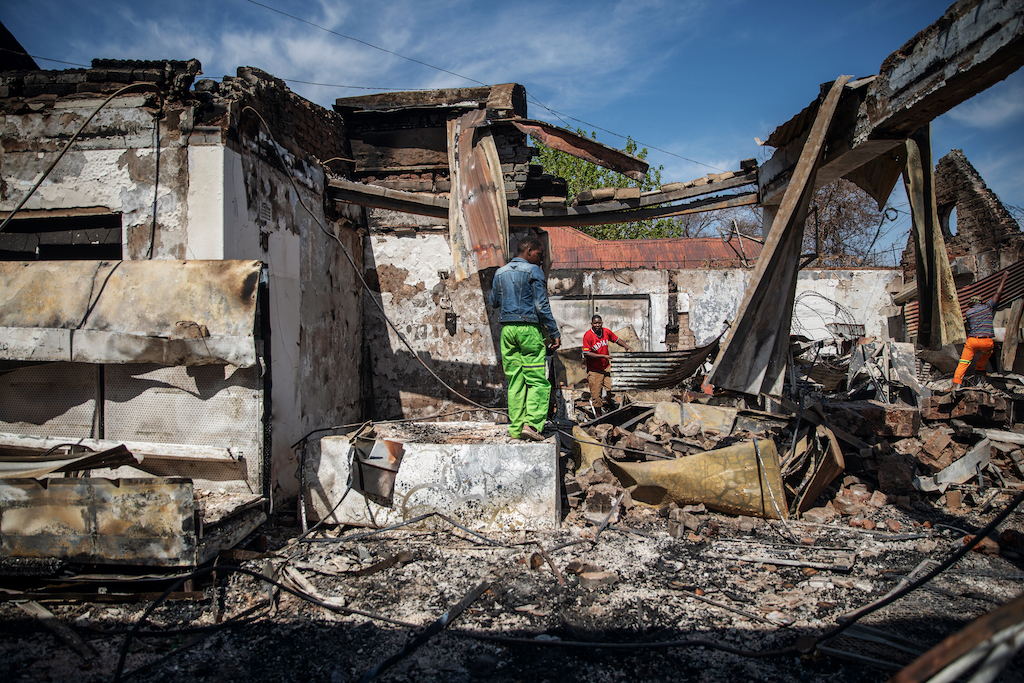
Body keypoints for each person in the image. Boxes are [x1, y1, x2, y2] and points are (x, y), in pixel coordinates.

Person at [489, 237, 561, 441]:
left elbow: (494, 301)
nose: (541, 259)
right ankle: (533, 425)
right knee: (537, 381)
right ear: (529, 251)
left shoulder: (500, 273)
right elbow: (541, 305)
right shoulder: (533, 271)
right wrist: (554, 332)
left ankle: (516, 428)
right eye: (539, 254)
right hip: (528, 330)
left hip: (508, 331)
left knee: (515, 381)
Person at [953, 274, 1007, 391]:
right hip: (986, 341)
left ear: (972, 304)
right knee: (988, 351)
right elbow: (997, 294)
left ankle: (954, 385)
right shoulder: (987, 307)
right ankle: (980, 368)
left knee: (963, 362)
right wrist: (1003, 278)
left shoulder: (969, 313)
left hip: (972, 341)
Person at [582, 314, 633, 415]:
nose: (597, 325)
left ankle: (609, 401)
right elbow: (586, 353)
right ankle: (599, 417)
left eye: (599, 323)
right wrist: (603, 356)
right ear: (592, 324)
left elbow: (617, 339)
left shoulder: (606, 332)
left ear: (602, 323)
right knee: (596, 396)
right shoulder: (588, 336)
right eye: (595, 323)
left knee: (612, 387)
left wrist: (626, 346)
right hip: (594, 370)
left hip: (606, 367)